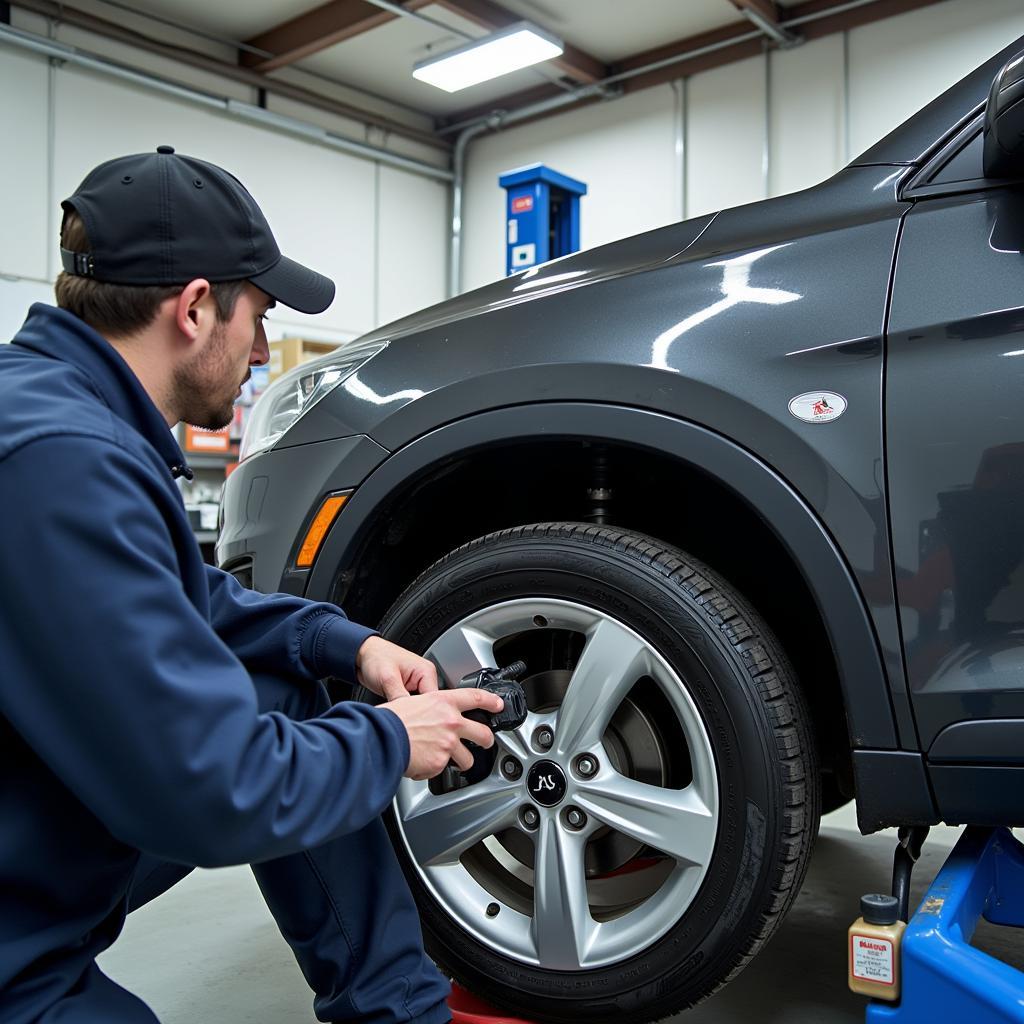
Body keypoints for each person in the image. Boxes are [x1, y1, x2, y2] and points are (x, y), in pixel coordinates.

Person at [0, 146, 503, 1024]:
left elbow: (188, 598)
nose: (264, 350)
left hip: (33, 843)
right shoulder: (61, 464)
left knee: (287, 693)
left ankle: (397, 1012)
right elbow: (209, 793)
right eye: (260, 317)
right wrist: (389, 741)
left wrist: (351, 644)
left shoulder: (56, 411)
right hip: (16, 951)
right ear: (195, 309)